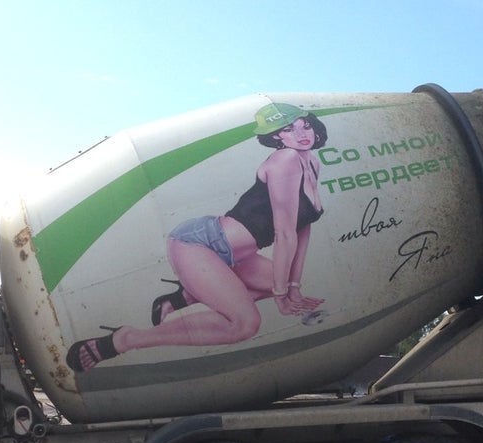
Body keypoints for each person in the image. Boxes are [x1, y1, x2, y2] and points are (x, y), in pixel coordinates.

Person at [67, 103, 328, 372]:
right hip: (199, 244)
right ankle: (125, 339)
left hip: (238, 255)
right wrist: (282, 294)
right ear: (276, 137)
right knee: (244, 325)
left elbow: (302, 227)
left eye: (305, 125)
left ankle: (187, 296)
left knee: (281, 285)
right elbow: (284, 233)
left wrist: (293, 285)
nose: (301, 134)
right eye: (288, 129)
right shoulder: (285, 160)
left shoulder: (311, 162)